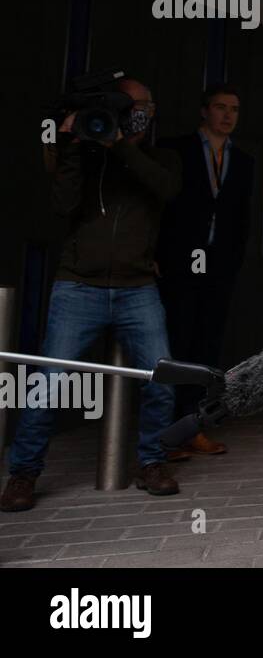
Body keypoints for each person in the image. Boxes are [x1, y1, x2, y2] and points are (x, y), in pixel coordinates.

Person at [1, 78, 183, 512]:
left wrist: (120, 144)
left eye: (141, 105)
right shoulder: (86, 157)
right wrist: (71, 147)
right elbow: (62, 206)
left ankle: (152, 463)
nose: (134, 112)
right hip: (77, 287)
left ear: (151, 112)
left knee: (162, 380)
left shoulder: (163, 158)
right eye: (125, 105)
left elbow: (167, 190)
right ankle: (22, 474)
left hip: (137, 289)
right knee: (50, 384)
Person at [156, 84, 253, 459]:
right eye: (220, 107)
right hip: (179, 262)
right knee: (175, 346)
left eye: (235, 109)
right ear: (204, 111)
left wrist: (232, 262)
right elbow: (160, 205)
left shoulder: (243, 161)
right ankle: (163, 433)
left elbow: (242, 217)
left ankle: (192, 429)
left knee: (207, 348)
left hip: (218, 267)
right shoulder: (175, 149)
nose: (228, 115)